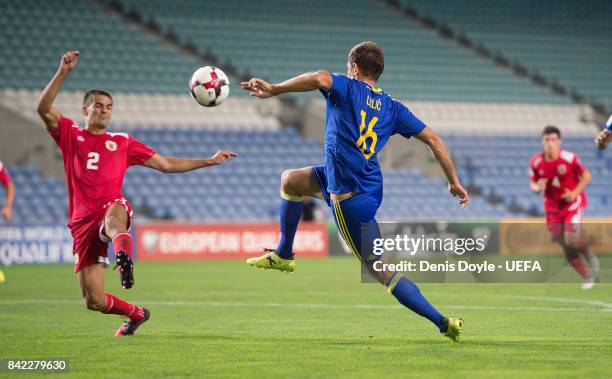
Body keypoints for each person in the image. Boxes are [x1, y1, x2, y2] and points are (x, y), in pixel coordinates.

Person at [241, 41, 469, 341]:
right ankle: (284, 254)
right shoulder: (393, 107)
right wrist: (453, 181)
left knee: (380, 270)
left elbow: (320, 77)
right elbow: (435, 140)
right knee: (290, 180)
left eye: (349, 67)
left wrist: (275, 89)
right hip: (362, 184)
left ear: (356, 68)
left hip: (348, 199)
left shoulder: (347, 87)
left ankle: (442, 322)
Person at [37, 51, 237, 336]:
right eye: (97, 106)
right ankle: (136, 314)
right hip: (82, 223)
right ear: (85, 111)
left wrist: (209, 160)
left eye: (108, 106)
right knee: (93, 301)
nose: (104, 110)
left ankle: (123, 259)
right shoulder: (70, 135)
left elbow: (166, 164)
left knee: (114, 217)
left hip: (111, 208)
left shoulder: (122, 142)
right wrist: (62, 73)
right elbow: (43, 108)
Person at [530, 126, 598, 289]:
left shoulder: (570, 158)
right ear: (542, 142)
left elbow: (587, 176)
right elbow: (533, 185)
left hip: (571, 204)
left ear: (559, 141)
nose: (550, 143)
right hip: (552, 208)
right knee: (563, 243)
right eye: (547, 140)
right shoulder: (536, 161)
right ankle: (587, 277)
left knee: (571, 239)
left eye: (553, 140)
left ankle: (588, 253)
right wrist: (538, 187)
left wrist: (575, 193)